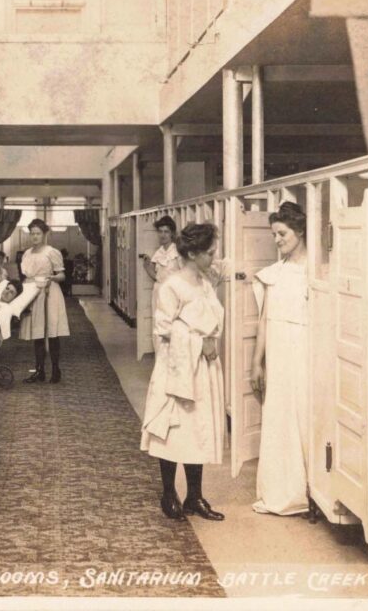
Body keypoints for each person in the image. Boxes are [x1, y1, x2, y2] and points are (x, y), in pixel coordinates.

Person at [140, 222, 226, 522]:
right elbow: (164, 330)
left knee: (198, 429)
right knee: (174, 429)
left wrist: (208, 340)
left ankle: (194, 496)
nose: (213, 258)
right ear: (191, 252)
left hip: (201, 369)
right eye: (209, 253)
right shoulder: (171, 286)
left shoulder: (204, 282)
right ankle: (168, 493)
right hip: (177, 369)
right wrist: (199, 342)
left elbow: (208, 319)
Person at [250, 201, 309, 516]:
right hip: (279, 351)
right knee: (279, 417)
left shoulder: (317, 272)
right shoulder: (276, 273)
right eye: (274, 234)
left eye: (281, 233)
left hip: (304, 352)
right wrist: (256, 362)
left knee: (303, 417)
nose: (277, 240)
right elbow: (264, 320)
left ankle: (307, 490)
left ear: (299, 231)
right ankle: (280, 491)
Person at [19, 219, 70, 384]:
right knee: (37, 334)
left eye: (38, 233)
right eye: (32, 233)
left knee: (52, 333)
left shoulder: (51, 252)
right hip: (32, 292)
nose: (35, 237)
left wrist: (52, 278)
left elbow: (62, 275)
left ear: (44, 234)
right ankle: (39, 370)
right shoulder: (27, 253)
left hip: (49, 292)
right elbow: (25, 275)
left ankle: (56, 369)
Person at [141, 216, 182, 317]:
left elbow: (184, 275)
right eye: (160, 231)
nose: (162, 235)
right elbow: (157, 277)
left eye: (166, 232)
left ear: (172, 233)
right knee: (157, 323)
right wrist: (147, 267)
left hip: (173, 294)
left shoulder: (178, 252)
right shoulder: (159, 252)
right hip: (158, 293)